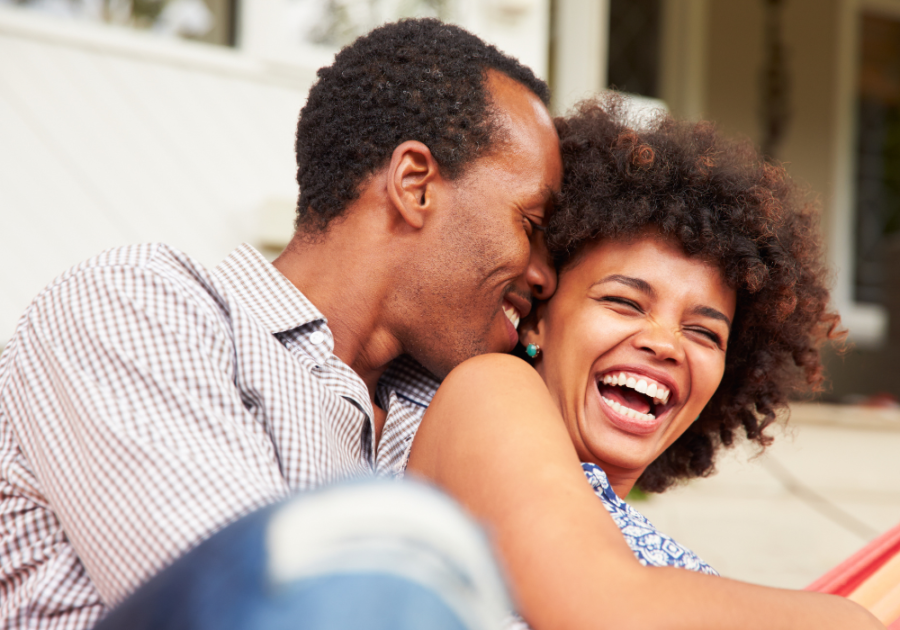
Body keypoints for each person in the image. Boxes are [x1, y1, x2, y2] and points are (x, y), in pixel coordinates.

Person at [0, 19, 561, 628]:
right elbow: (257, 608)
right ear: (414, 184)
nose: (544, 277)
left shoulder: (441, 416)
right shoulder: (138, 305)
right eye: (531, 226)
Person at [406, 97, 886, 629]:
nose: (665, 344)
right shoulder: (489, 390)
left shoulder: (637, 551)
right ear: (538, 317)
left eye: (704, 332)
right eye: (624, 302)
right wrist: (850, 620)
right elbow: (604, 609)